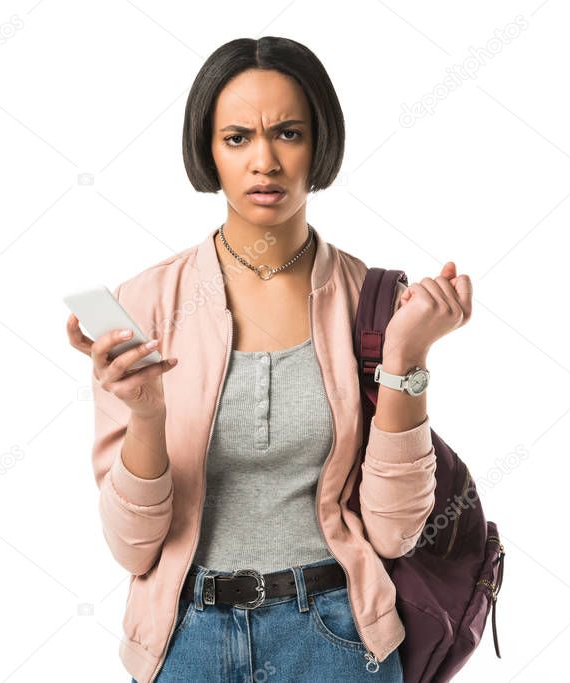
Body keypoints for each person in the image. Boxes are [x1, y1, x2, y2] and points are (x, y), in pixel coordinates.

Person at [66, 36, 472, 683]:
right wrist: (145, 415)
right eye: (236, 138)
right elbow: (132, 546)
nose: (264, 161)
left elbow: (394, 533)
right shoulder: (142, 305)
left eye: (287, 132)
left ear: (319, 145)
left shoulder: (375, 303)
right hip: (186, 642)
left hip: (338, 638)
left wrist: (407, 355)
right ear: (208, 150)